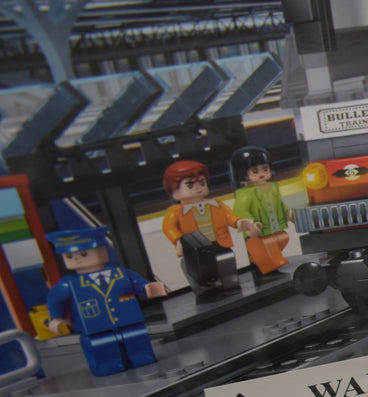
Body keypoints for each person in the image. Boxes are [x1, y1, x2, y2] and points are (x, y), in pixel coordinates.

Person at [43, 227, 165, 376]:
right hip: (96, 328)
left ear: (103, 251)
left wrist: (148, 288)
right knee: (103, 349)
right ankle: (109, 365)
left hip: (129, 322)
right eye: (69, 256)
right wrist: (57, 318)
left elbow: (139, 284)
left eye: (84, 254)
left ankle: (141, 357)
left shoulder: (121, 274)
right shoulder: (69, 283)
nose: (77, 259)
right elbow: (54, 299)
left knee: (137, 342)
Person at [160, 159, 258, 296]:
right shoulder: (175, 211)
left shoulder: (216, 204)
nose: (198, 188)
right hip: (195, 248)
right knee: (197, 269)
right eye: (190, 185)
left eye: (202, 182)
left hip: (218, 243)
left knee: (226, 260)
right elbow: (168, 227)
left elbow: (230, 216)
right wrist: (178, 240)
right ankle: (205, 288)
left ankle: (229, 281)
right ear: (174, 191)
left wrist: (239, 223)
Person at [229, 146, 292, 278]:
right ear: (243, 173)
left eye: (265, 169)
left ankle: (261, 258)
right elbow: (240, 210)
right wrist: (251, 224)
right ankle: (265, 261)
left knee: (283, 237)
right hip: (260, 230)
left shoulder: (272, 188)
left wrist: (288, 213)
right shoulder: (245, 194)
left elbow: (279, 203)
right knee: (266, 244)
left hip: (275, 227)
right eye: (255, 171)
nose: (261, 174)